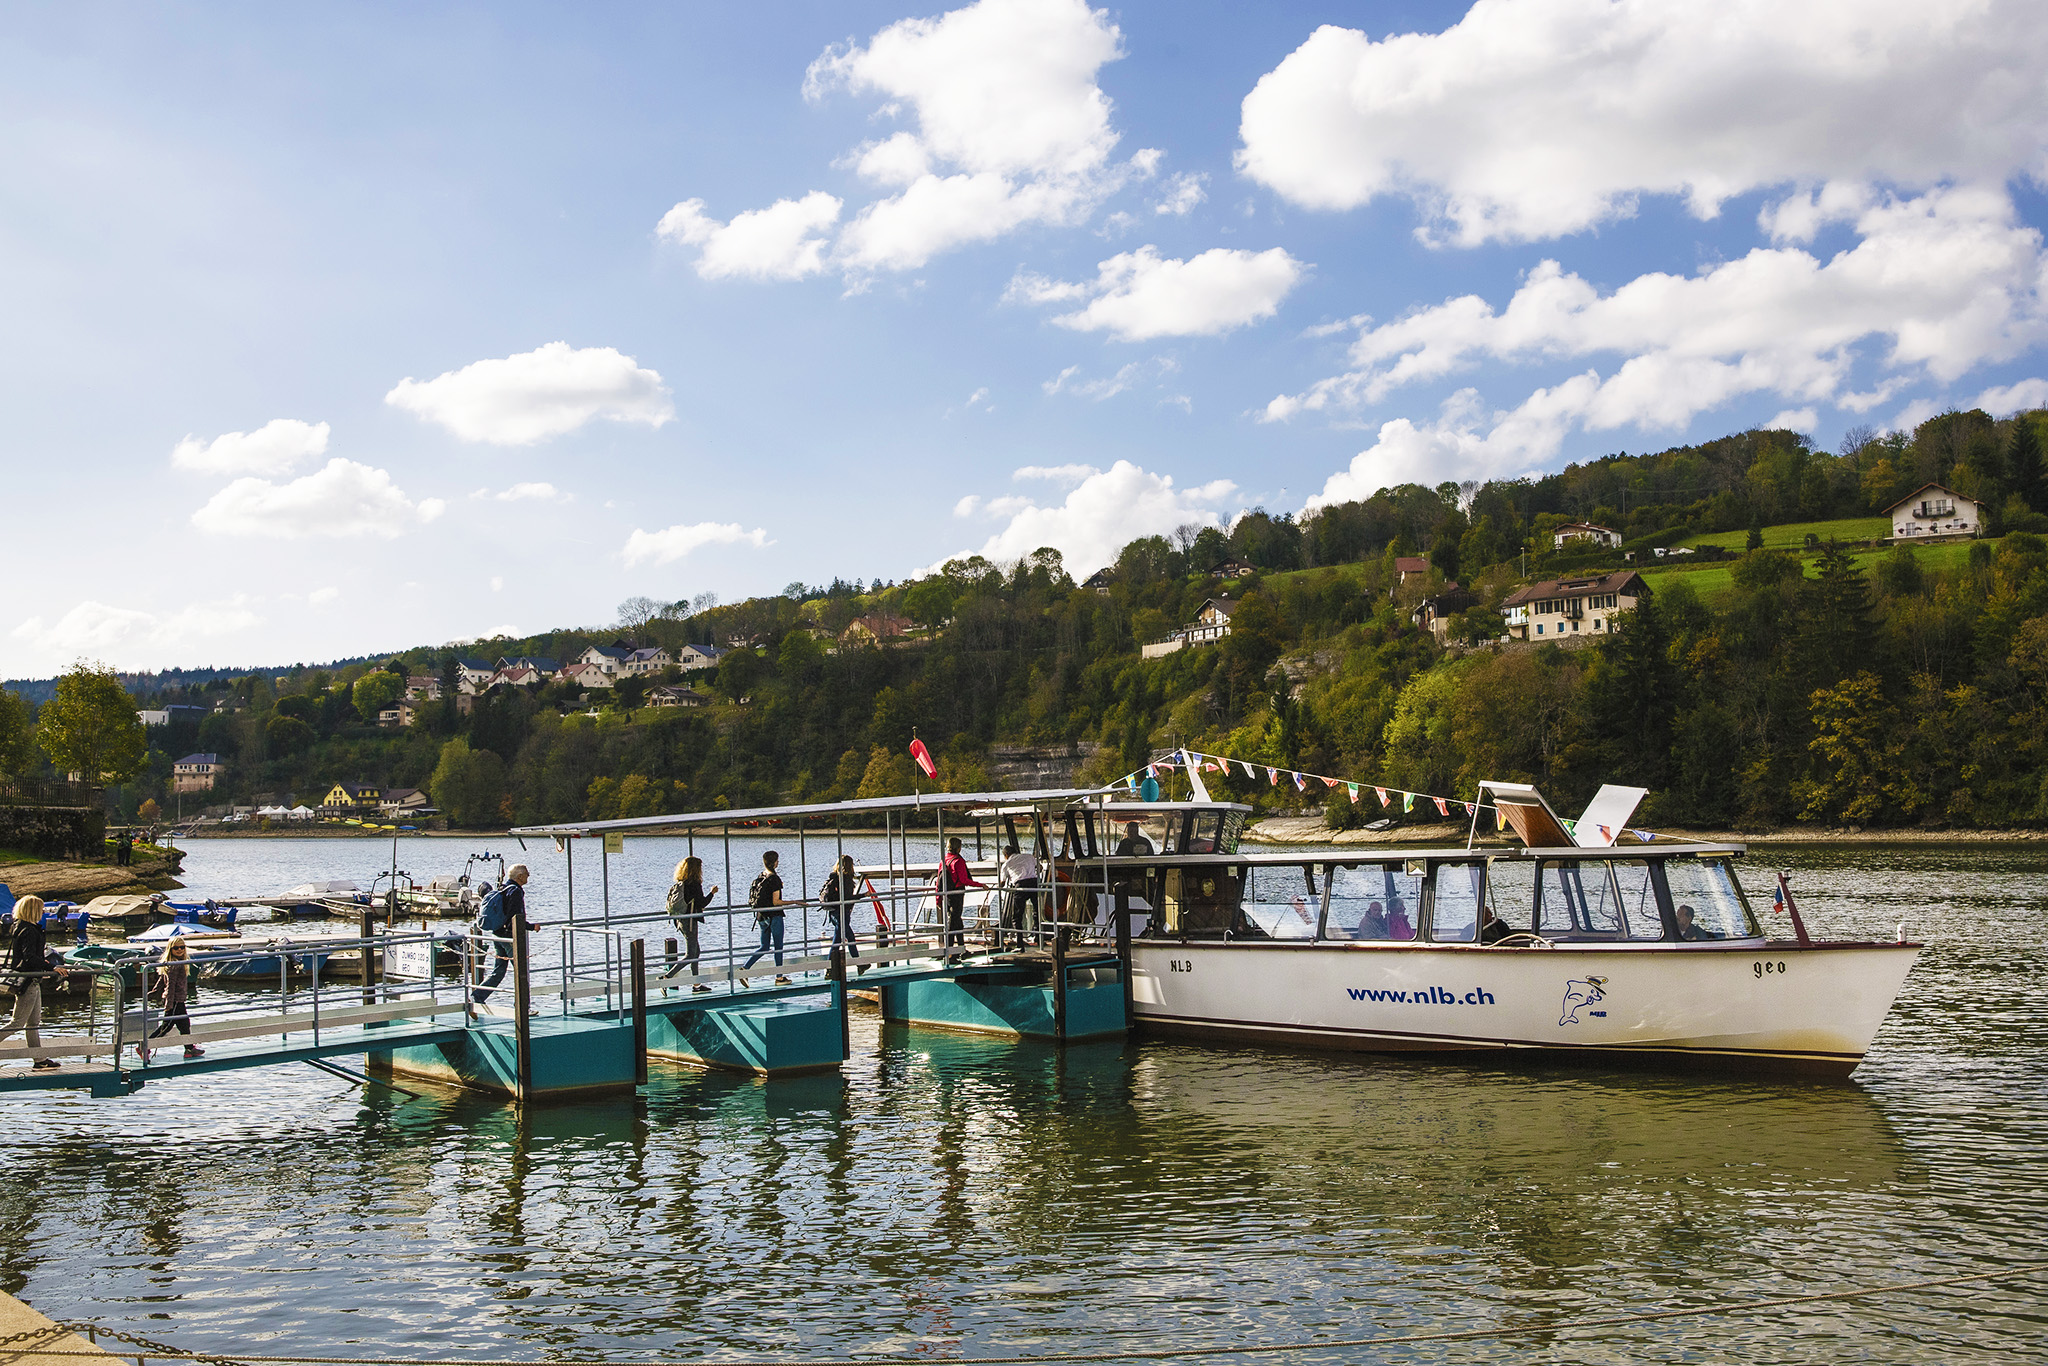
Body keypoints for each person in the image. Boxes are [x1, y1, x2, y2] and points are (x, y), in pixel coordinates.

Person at [0, 896, 59, 1070]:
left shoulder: (19, 926)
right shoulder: (29, 930)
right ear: (33, 910)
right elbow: (30, 957)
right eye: (40, 908)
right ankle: (39, 1059)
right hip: (28, 982)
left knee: (33, 1023)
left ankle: (39, 1059)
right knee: (18, 1022)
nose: (43, 911)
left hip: (32, 981)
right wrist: (52, 968)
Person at [471, 864, 535, 1005]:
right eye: (526, 873)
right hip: (510, 939)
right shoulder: (516, 891)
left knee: (498, 971)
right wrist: (531, 926)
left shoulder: (503, 888)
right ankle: (523, 1007)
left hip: (497, 935)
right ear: (519, 876)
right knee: (522, 973)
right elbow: (515, 918)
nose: (528, 875)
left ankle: (477, 997)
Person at [146, 936, 203, 1059]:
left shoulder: (177, 963)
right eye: (176, 948)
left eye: (182, 947)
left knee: (184, 1024)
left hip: (179, 999)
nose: (180, 950)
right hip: (175, 1000)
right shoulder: (175, 965)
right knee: (166, 1026)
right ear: (170, 949)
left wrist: (154, 991)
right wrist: (169, 1004)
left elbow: (162, 979)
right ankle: (145, 1046)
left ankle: (189, 1049)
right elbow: (170, 985)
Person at [665, 857, 716, 991]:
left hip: (680, 920)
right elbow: (702, 903)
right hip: (690, 922)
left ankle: (696, 984)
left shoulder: (681, 883)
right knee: (690, 955)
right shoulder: (694, 884)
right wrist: (712, 893)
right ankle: (666, 977)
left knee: (696, 952)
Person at [740, 851, 790, 985]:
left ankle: (745, 968)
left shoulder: (761, 876)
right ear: (775, 862)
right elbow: (776, 901)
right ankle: (779, 977)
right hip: (774, 916)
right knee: (778, 946)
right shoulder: (774, 879)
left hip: (761, 916)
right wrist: (795, 902)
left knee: (764, 946)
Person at [938, 837, 984, 959]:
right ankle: (951, 953)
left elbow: (939, 881)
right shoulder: (958, 861)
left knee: (956, 921)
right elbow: (964, 880)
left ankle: (961, 948)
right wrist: (980, 885)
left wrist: (938, 898)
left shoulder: (944, 860)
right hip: (957, 894)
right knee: (953, 923)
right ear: (959, 848)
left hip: (947, 894)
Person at [820, 855, 864, 972]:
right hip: (841, 912)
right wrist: (863, 895)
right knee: (838, 941)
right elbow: (848, 897)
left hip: (833, 912)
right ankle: (830, 968)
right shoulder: (846, 880)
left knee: (848, 937)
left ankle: (859, 964)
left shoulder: (834, 877)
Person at [996, 841, 1040, 951]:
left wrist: (999, 886)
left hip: (1020, 886)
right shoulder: (1029, 857)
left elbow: (1002, 882)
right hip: (1034, 883)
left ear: (1006, 855)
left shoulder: (1007, 864)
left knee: (1016, 916)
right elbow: (1039, 867)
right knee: (1036, 911)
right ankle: (1038, 937)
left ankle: (1020, 943)